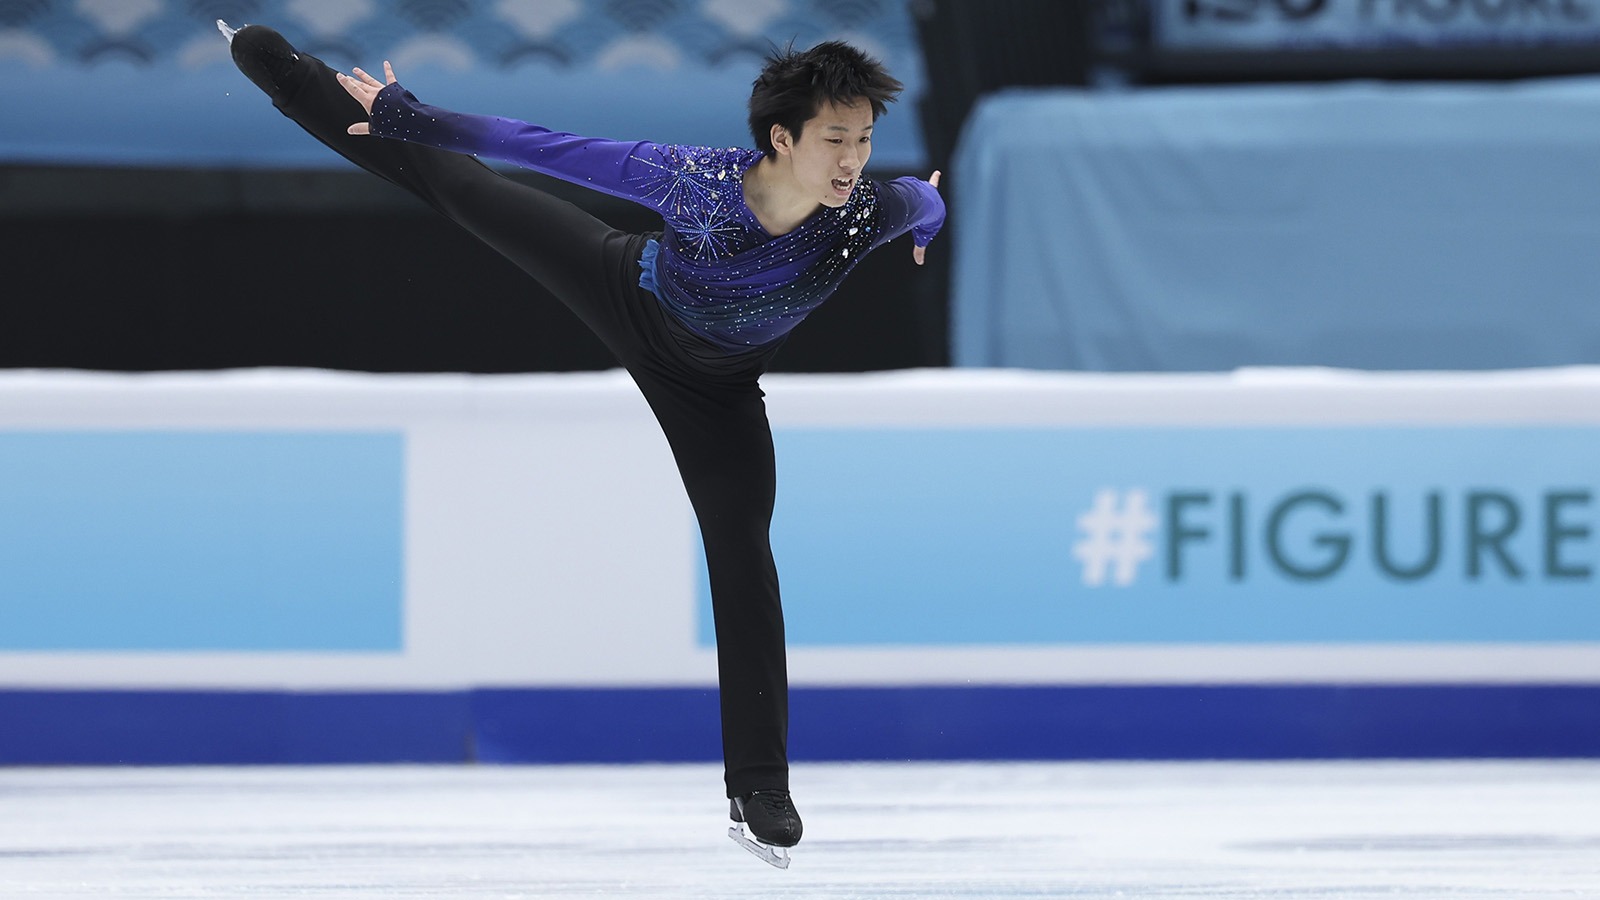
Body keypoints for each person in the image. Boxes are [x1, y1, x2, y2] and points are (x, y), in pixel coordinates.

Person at [218, 19, 944, 867]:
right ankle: (297, 82)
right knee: (470, 191)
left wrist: (925, 222)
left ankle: (759, 787)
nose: (854, 158)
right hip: (624, 289)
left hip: (715, 389)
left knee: (743, 552)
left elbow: (920, 198)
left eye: (863, 138)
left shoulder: (861, 215)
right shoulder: (692, 183)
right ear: (782, 138)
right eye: (835, 139)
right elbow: (542, 145)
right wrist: (413, 114)